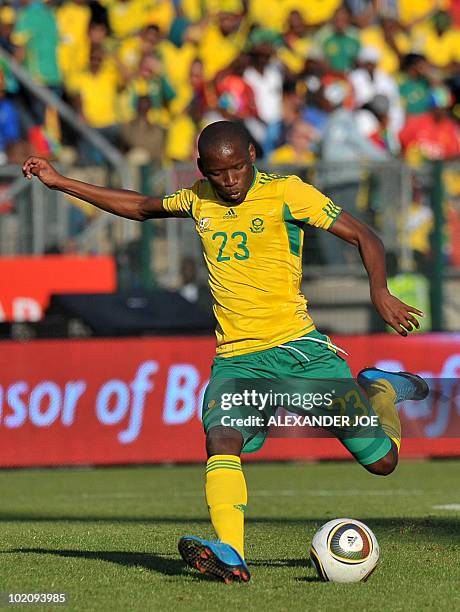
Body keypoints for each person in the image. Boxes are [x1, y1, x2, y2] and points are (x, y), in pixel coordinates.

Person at [22, 120, 428, 584]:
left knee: (382, 463)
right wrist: (60, 181)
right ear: (203, 169)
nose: (230, 181)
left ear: (253, 155)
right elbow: (138, 206)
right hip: (238, 359)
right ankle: (231, 553)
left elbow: (364, 235)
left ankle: (378, 390)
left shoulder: (289, 193)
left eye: (237, 168)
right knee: (221, 439)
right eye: (219, 173)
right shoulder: (198, 197)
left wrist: (380, 292)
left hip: (300, 351)